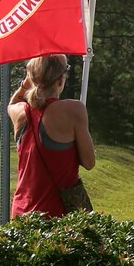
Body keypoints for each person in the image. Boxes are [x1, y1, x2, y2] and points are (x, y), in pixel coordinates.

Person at [8, 54, 96, 218]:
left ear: (32, 79)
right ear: (61, 80)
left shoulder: (20, 112)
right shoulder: (74, 110)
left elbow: (11, 103)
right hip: (57, 216)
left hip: (21, 214)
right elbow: (89, 162)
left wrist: (27, 82)